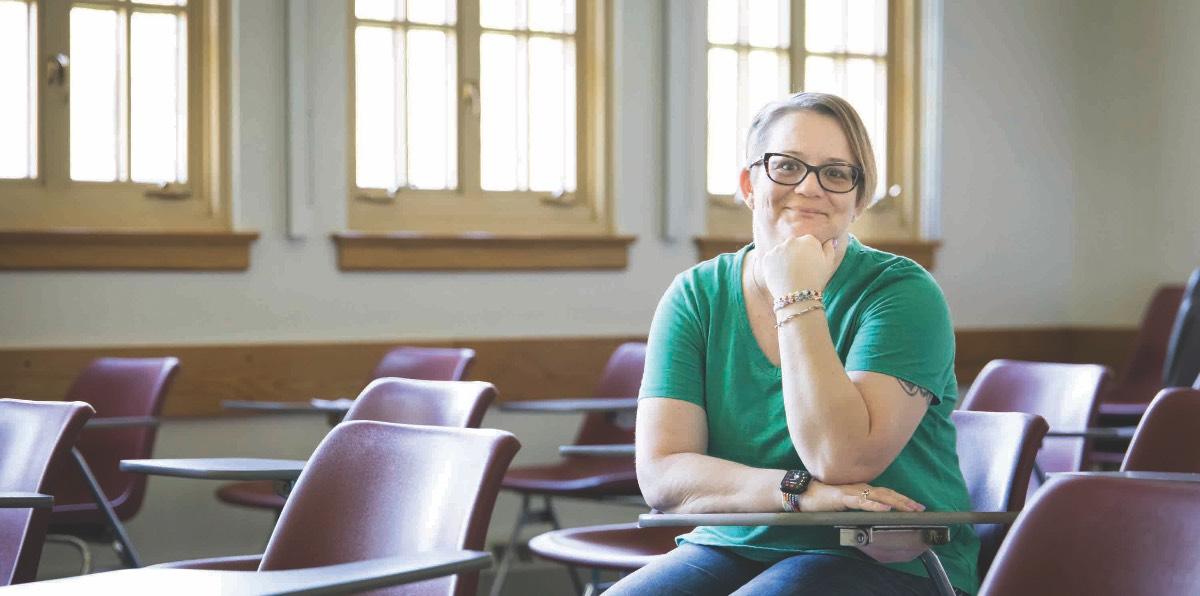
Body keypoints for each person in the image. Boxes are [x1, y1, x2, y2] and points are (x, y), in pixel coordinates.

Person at [608, 92, 978, 595]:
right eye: (786, 166)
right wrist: (798, 493)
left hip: (890, 558)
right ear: (748, 184)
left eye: (836, 173)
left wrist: (796, 296)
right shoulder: (695, 294)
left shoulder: (902, 293)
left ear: (858, 198)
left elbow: (840, 460)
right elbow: (663, 475)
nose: (810, 187)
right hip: (732, 542)